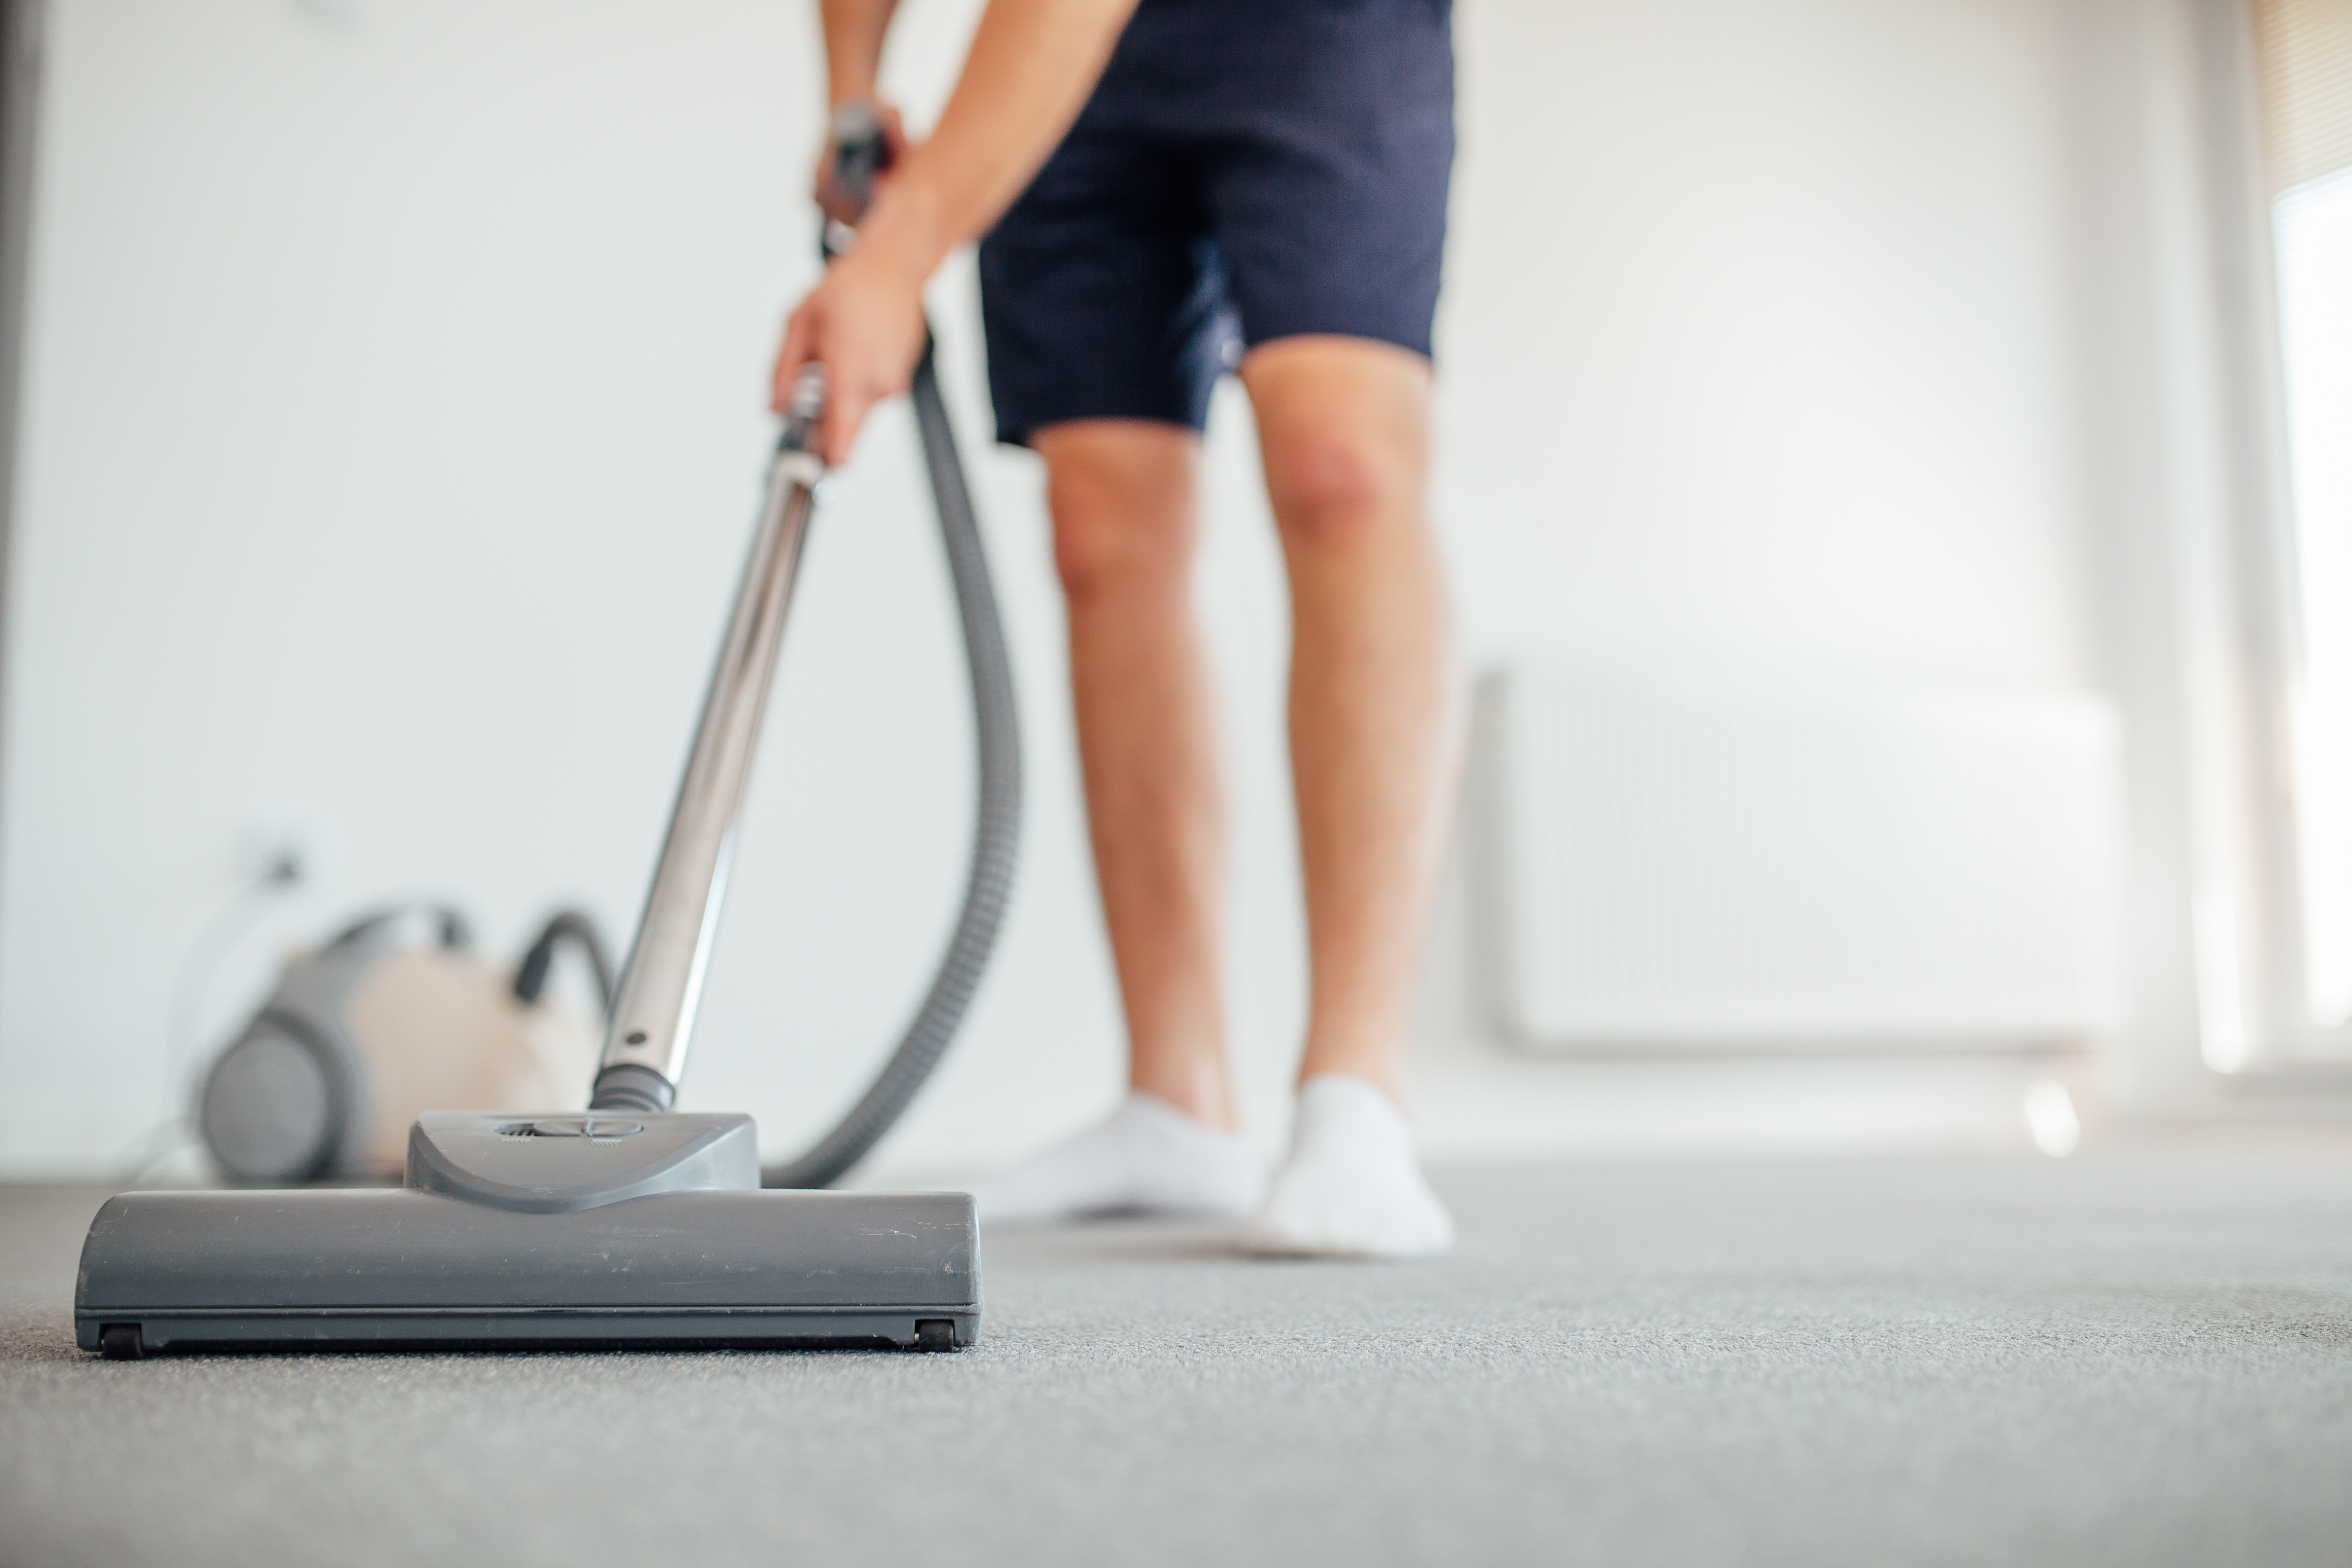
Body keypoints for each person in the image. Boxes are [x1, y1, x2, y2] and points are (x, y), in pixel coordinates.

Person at [776, 0, 1459, 1257]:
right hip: (1071, 79)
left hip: (1324, 37)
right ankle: (1177, 1102)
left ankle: (1357, 1096)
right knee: (1103, 528)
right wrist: (854, 96)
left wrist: (893, 262)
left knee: (1341, 464)